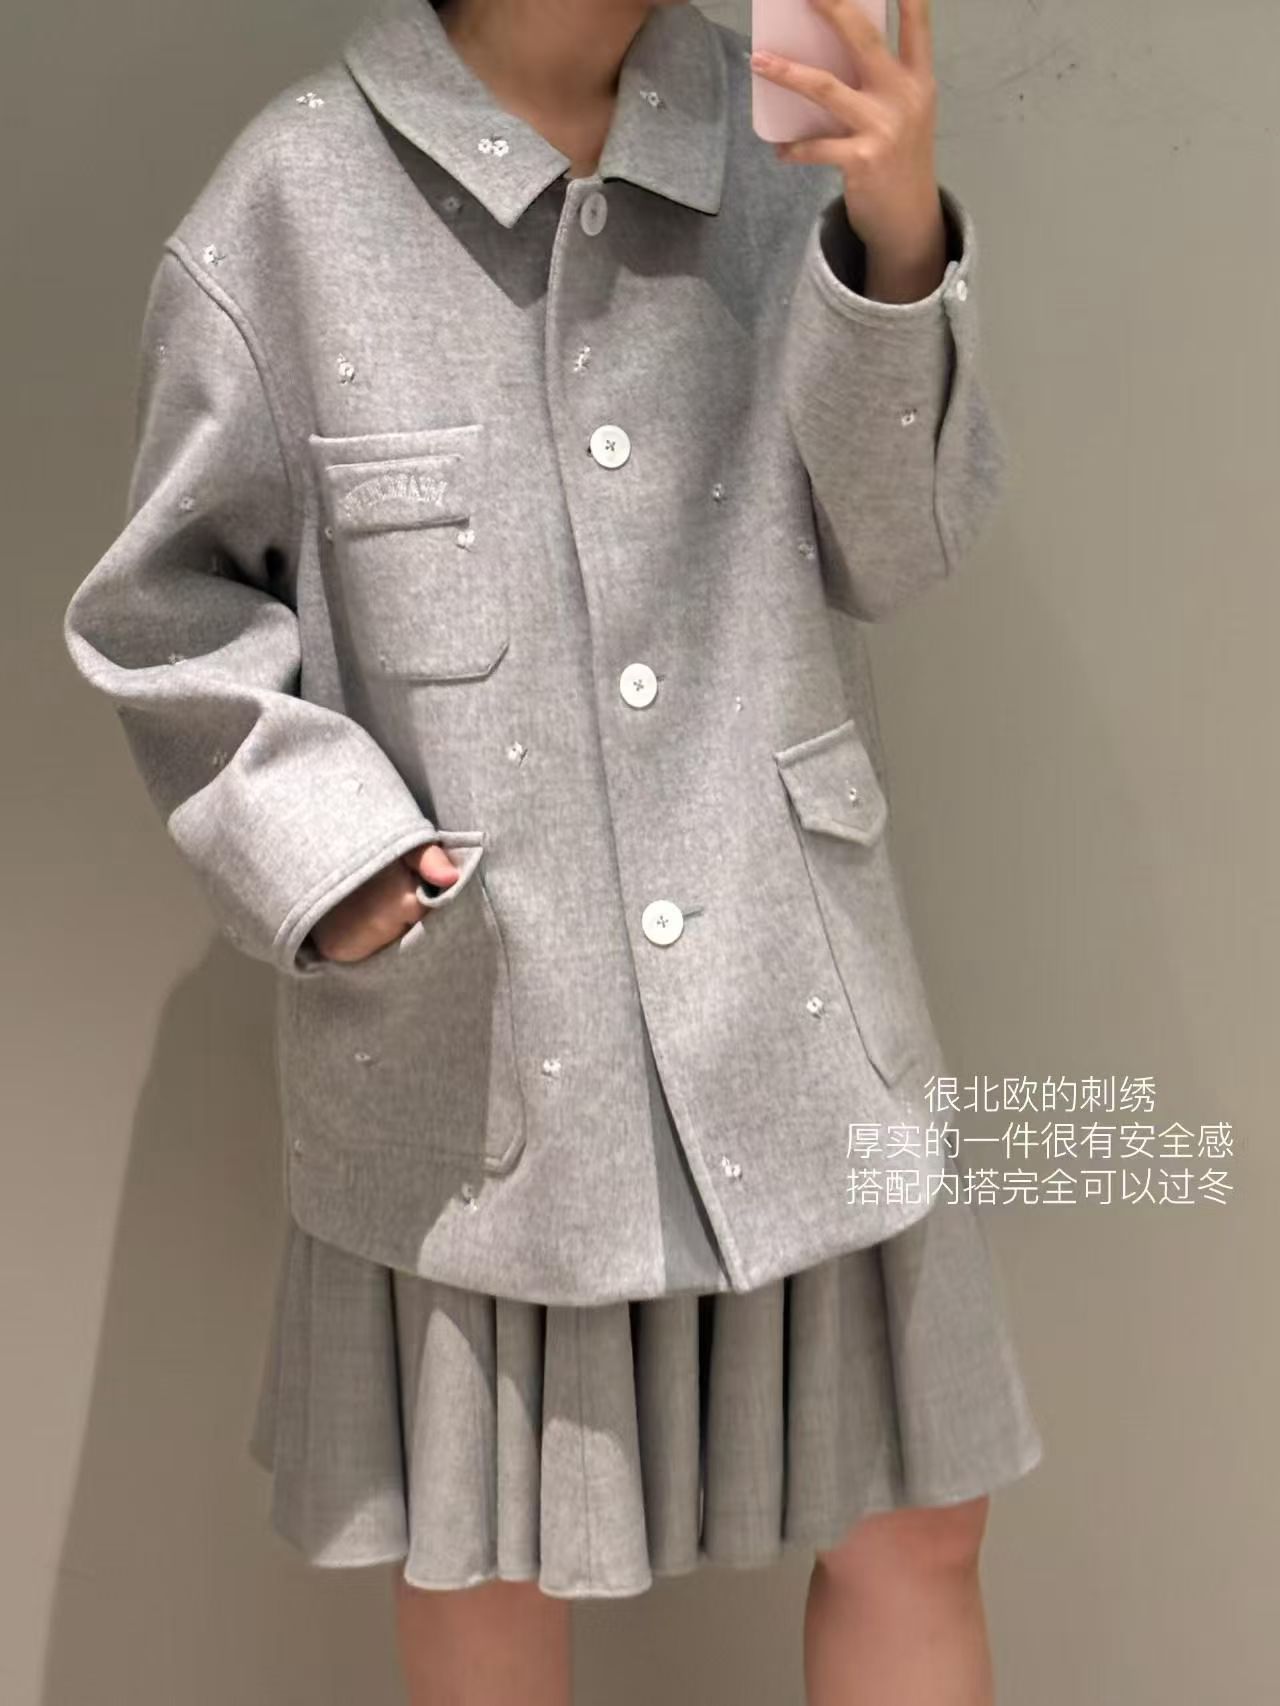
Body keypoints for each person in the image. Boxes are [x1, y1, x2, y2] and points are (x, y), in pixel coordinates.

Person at [62, 0, 1044, 1700]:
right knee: (493, 1560)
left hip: (792, 990)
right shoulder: (295, 201)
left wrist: (894, 236)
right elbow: (165, 614)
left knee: (918, 1518)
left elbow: (896, 549)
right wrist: (340, 866)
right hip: (498, 1047)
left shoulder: (779, 148)